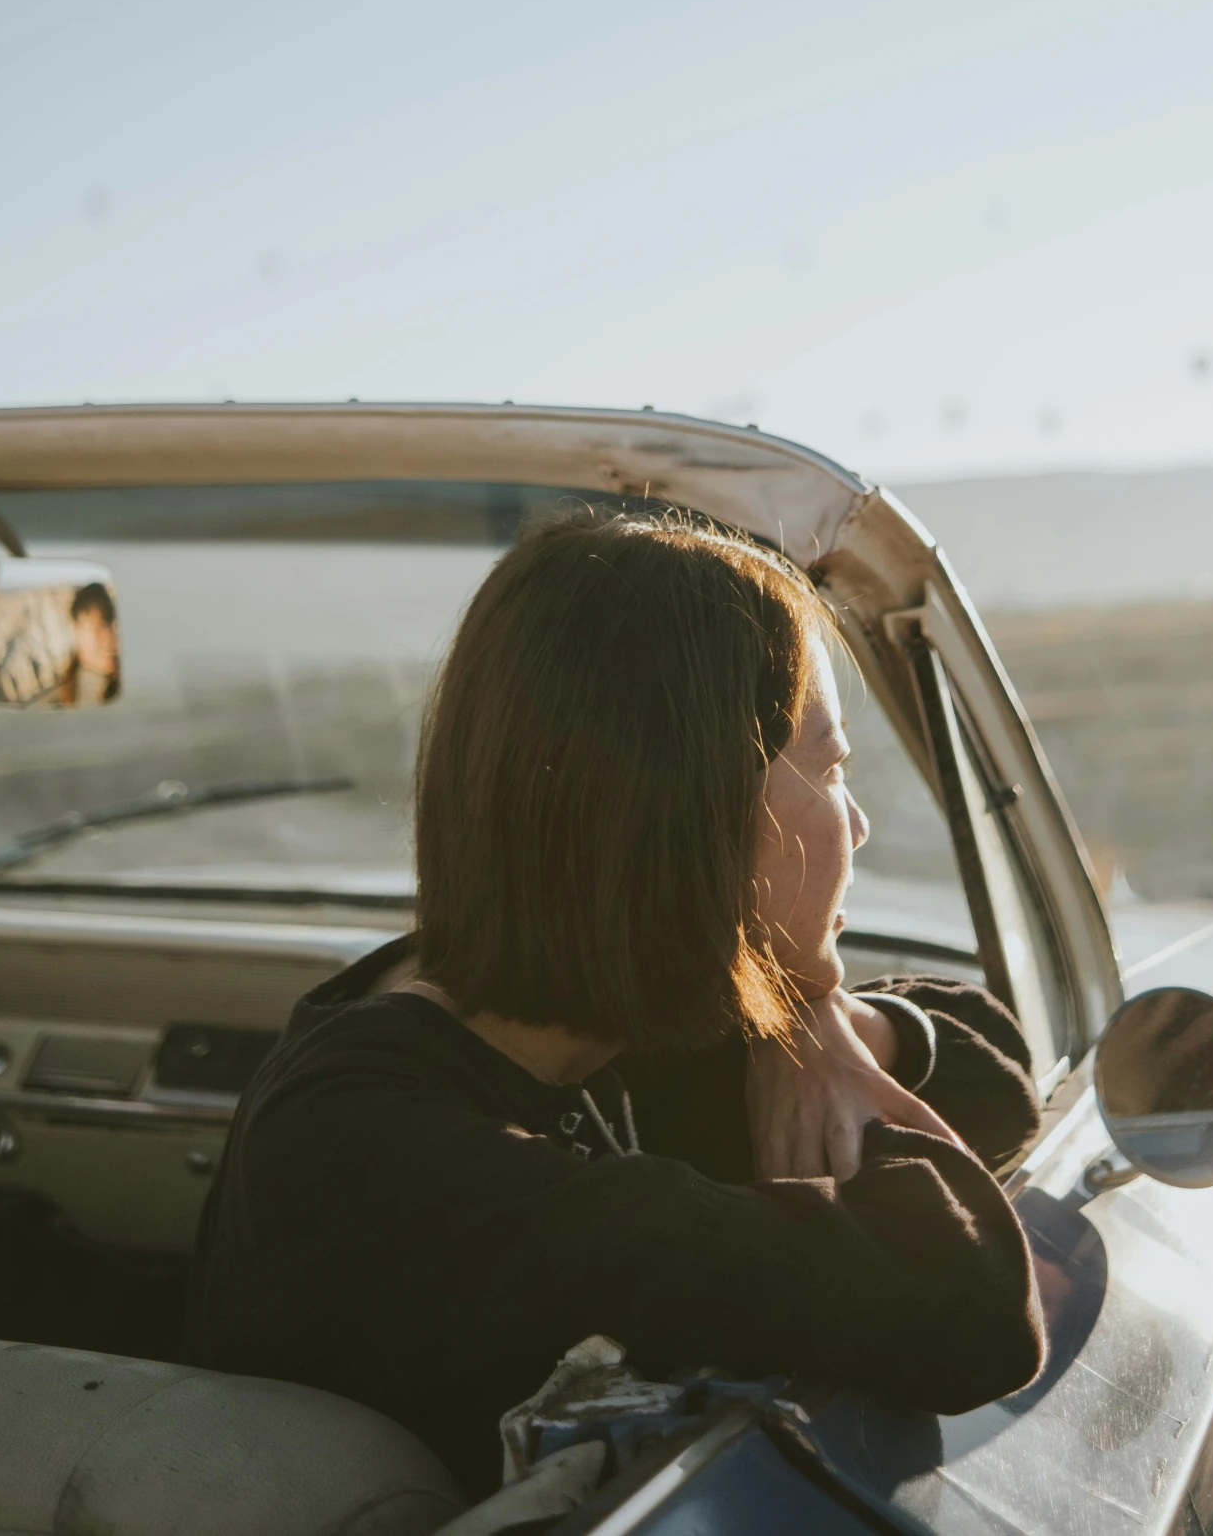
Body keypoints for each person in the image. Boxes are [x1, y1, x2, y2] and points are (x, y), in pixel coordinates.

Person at [186, 512, 1045, 1495]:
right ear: (692, 796)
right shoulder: (372, 1147)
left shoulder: (605, 1021)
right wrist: (800, 1010)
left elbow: (999, 1078)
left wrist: (819, 1026)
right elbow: (962, 1302)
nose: (851, 818)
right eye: (830, 764)